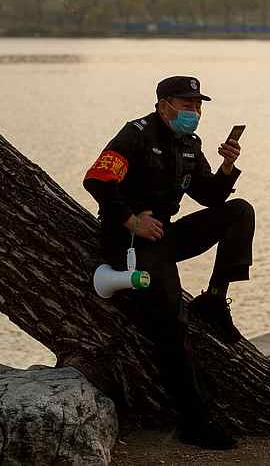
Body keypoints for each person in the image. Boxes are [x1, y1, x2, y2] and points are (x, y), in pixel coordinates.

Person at [82, 75, 254, 451]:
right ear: (164, 105)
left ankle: (213, 298)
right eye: (187, 104)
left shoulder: (189, 144)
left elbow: (210, 196)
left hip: (164, 235)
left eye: (198, 106)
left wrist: (227, 168)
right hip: (129, 238)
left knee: (239, 211)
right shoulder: (136, 135)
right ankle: (194, 421)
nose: (194, 112)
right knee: (172, 325)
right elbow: (97, 180)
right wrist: (131, 221)